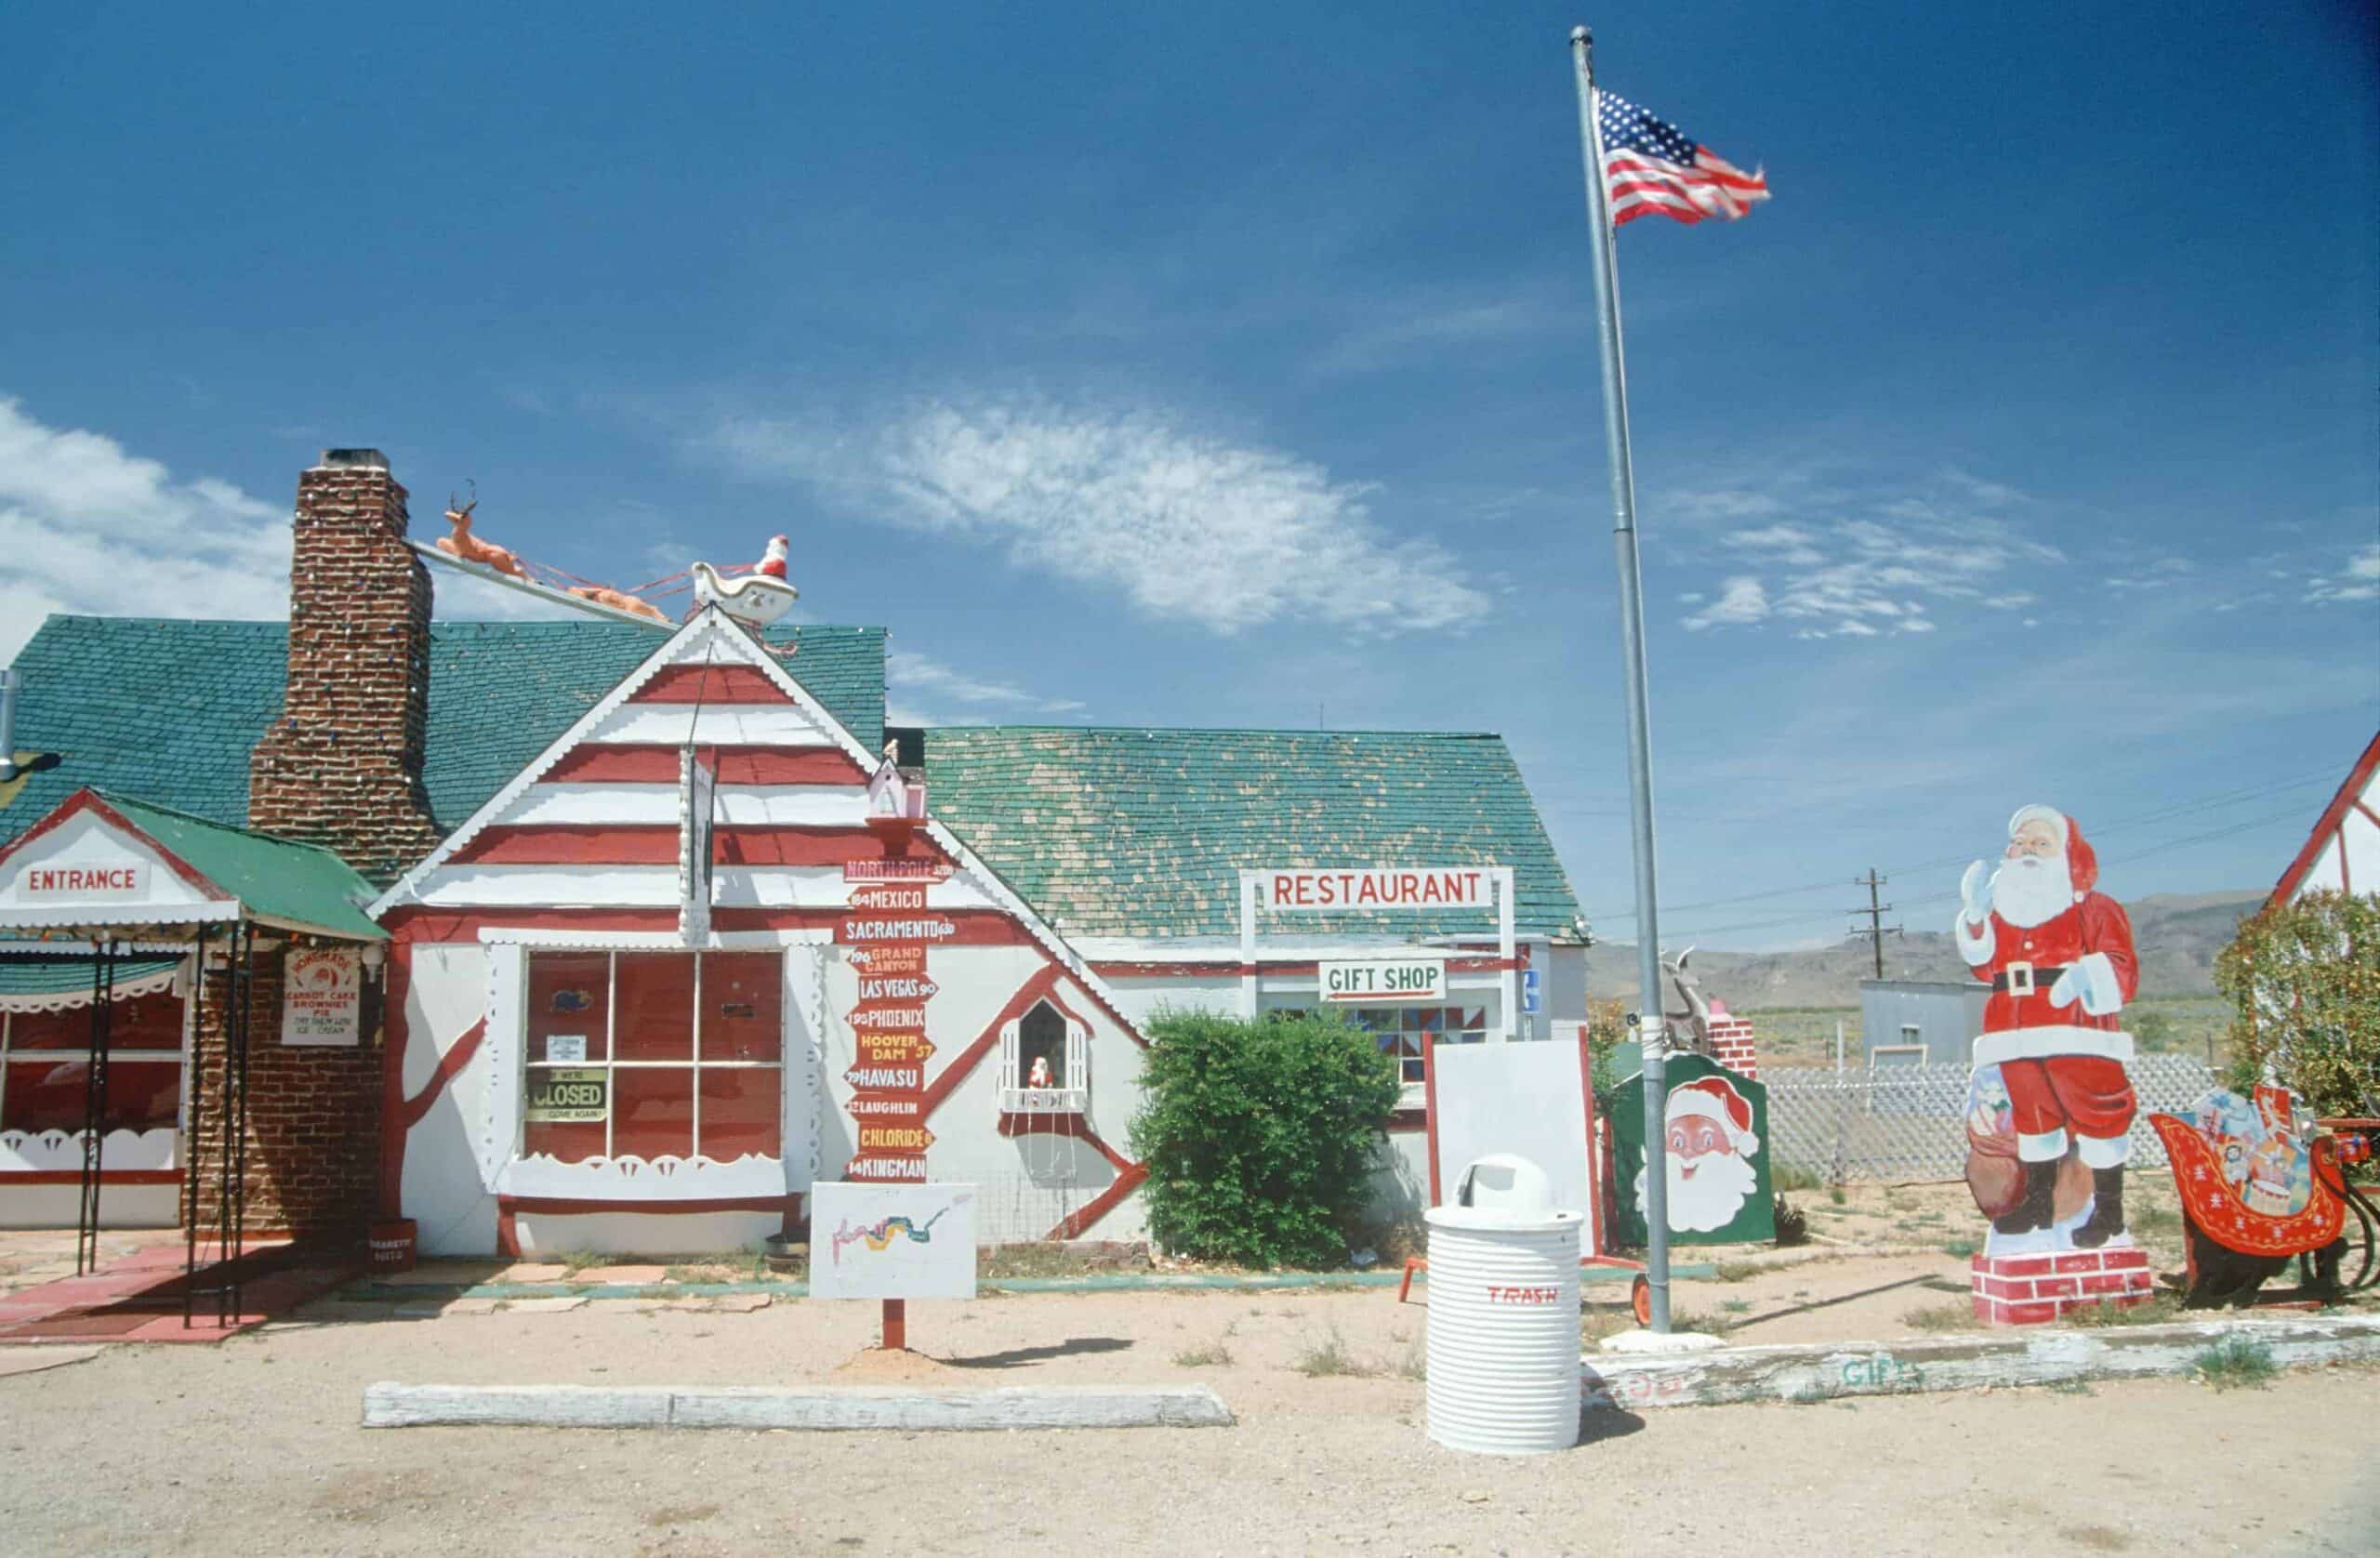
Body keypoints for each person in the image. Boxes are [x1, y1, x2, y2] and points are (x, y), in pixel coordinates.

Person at [1958, 806, 2139, 1246]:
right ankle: (2038, 1205)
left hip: (2076, 1027)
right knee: (2033, 1118)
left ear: (2066, 854)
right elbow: (1985, 968)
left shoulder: (2093, 908)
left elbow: (2122, 967)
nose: (2027, 851)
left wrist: (2084, 975)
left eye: (2041, 843)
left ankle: (2108, 1211)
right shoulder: (2004, 910)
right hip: (2011, 1029)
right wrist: (1976, 918)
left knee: (2098, 1114)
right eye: (2020, 842)